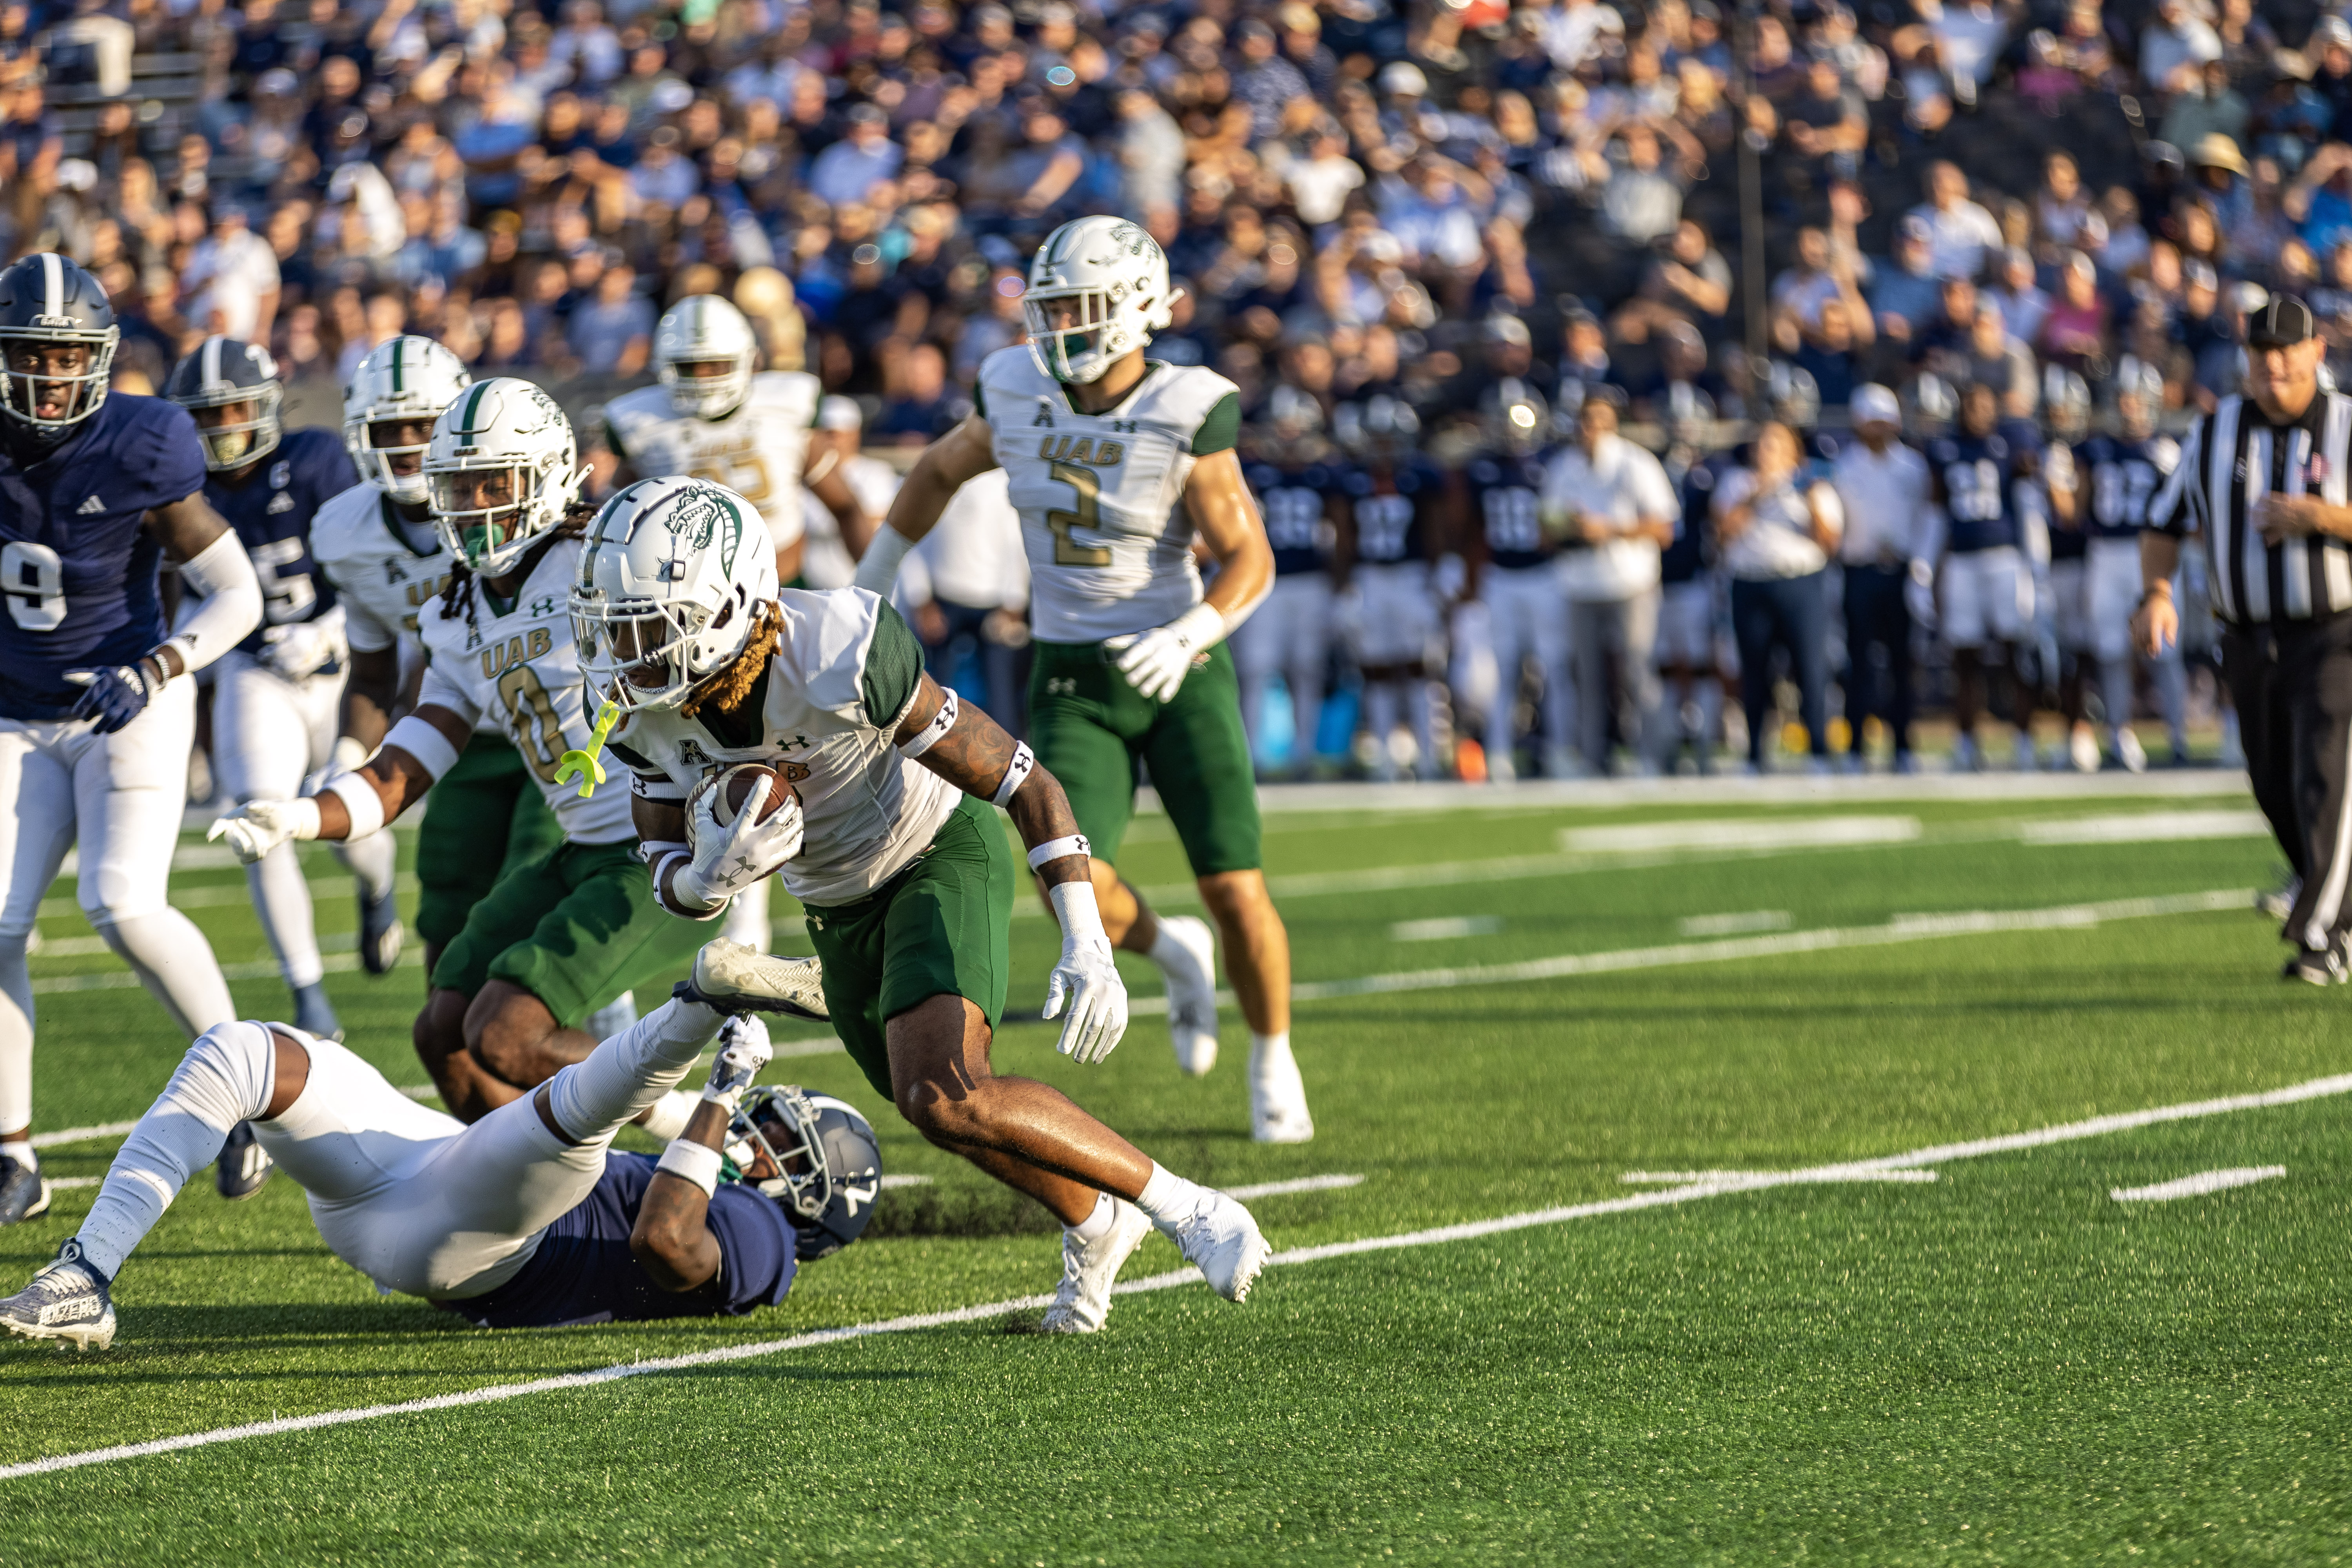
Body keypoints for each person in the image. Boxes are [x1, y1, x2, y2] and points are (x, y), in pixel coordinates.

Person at [570, 474, 1271, 1333]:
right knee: (933, 1108)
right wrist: (703, 877)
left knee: (947, 1091)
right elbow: (661, 857)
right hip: (834, 901)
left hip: (936, 850)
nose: (628, 652)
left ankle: (1188, 1204)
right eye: (617, 626)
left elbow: (1024, 780)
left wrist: (1085, 937)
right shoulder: (640, 708)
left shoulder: (838, 649)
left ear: (732, 610)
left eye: (652, 626)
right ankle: (1095, 1221)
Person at [855, 217, 1312, 1145]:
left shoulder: (1187, 404)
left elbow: (1247, 555)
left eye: (1084, 307)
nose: (1063, 327)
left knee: (1234, 884)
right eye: (1052, 306)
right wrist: (874, 577)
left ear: (1142, 309)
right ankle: (1168, 947)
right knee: (1061, 867)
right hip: (1073, 668)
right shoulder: (1015, 387)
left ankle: (1273, 1054)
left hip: (1179, 665)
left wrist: (1191, 631)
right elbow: (939, 469)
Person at [210, 380, 730, 1133]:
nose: (477, 507)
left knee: (507, 1034)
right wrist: (296, 816)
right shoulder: (454, 614)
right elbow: (403, 769)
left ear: (549, 475)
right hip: (585, 849)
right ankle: (533, 1210)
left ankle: (707, 1126)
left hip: (669, 850)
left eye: (496, 483)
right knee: (442, 1033)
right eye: (459, 487)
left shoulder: (603, 559)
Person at [0, 946, 881, 1348]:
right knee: (241, 1049)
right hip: (427, 1183)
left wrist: (721, 1093)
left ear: (813, 1197)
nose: (752, 1139)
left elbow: (665, 1238)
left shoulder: (766, 1246)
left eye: (776, 1142)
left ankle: (695, 1003)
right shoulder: (729, 1191)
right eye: (760, 1121)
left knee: (571, 1124)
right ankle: (85, 1272)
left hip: (496, 1246)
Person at [0, 253, 265, 1225]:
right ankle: (15, 1153)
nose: (52, 378)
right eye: (32, 355)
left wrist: (156, 668)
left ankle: (244, 1086)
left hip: (129, 697)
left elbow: (239, 594)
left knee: (119, 900)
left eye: (70, 357)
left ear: (101, 360)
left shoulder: (140, 444)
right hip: (14, 713)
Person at [311, 337, 582, 1038]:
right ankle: (473, 1078)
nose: (405, 445)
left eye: (422, 427)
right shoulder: (347, 535)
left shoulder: (537, 507)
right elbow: (374, 671)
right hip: (458, 731)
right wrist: (349, 755)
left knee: (546, 903)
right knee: (449, 916)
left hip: (559, 734)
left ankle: (599, 1075)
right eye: (387, 429)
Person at [603, 294, 877, 953]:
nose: (702, 380)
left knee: (838, 756)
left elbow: (846, 505)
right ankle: (747, 929)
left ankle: (854, 888)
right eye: (689, 368)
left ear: (750, 362)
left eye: (714, 365)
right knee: (729, 765)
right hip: (693, 621)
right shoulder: (639, 426)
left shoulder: (787, 410)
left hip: (786, 603)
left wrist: (876, 596)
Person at [163, 337, 379, 1044]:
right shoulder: (177, 488)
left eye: (233, 408)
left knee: (352, 820)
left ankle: (376, 889)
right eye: (207, 415)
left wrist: (329, 631)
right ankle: (307, 990)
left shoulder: (316, 460)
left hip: (339, 665)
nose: (223, 426)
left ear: (266, 405)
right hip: (256, 672)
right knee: (261, 822)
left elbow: (374, 575)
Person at [2139, 295, 2352, 981]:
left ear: (2317, 353)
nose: (2274, 367)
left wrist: (2324, 516)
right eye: (2262, 355)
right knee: (2273, 784)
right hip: (2247, 637)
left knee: (2324, 772)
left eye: (2287, 352)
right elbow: (2163, 520)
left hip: (2334, 632)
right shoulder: (2216, 430)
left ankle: (2321, 936)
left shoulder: (2348, 425)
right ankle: (2335, 910)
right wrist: (2159, 593)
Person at [1543, 394, 1678, 775]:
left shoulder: (1635, 463)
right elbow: (1546, 529)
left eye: (1601, 421)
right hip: (1580, 583)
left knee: (1638, 671)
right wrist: (1570, 527)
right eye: (1586, 421)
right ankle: (1593, 757)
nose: (1593, 430)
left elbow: (1664, 528)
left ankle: (1652, 754)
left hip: (1630, 580)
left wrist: (1611, 529)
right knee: (1587, 678)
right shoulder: (1563, 467)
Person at [1714, 421, 1843, 772]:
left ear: (1793, 451)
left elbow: (1830, 543)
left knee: (1811, 670)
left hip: (1800, 582)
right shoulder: (1737, 483)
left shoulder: (1812, 485)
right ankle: (1755, 754)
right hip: (1751, 582)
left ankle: (1818, 751)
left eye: (1775, 443)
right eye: (1762, 442)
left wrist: (1810, 498)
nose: (1766, 449)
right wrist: (1758, 493)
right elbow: (1722, 533)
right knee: (1755, 671)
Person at [2075, 371, 2187, 769]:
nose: (2129, 408)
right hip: (2106, 552)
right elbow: (2078, 510)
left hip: (2151, 553)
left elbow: (2183, 512)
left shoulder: (2167, 452)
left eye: (2137, 400)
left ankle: (2179, 735)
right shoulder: (2096, 450)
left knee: (2165, 651)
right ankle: (2119, 734)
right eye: (2124, 399)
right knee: (2111, 651)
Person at [1336, 396, 1450, 782]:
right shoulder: (1353, 479)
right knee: (1376, 670)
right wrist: (1345, 584)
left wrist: (1439, 576)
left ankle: (1431, 753)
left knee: (1422, 668)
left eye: (1390, 438)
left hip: (1412, 576)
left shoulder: (1421, 477)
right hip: (1371, 577)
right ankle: (1385, 753)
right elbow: (1344, 537)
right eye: (1377, 438)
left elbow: (1436, 530)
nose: (1383, 446)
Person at [1464, 381, 1570, 780]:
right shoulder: (1481, 468)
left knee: (1555, 669)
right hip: (1501, 576)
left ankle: (1562, 750)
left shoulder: (1553, 463)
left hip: (1545, 575)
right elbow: (1471, 528)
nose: (1511, 430)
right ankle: (1499, 753)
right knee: (1502, 669)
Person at [1929, 381, 2038, 769]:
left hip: (2003, 557)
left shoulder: (2011, 446)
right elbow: (1937, 508)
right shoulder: (1945, 449)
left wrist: (2033, 567)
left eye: (1985, 405)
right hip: (1962, 560)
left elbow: (2027, 505)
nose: (1978, 412)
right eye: (1971, 405)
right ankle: (1966, 742)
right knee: (1965, 656)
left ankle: (2024, 739)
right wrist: (1926, 567)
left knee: (2015, 653)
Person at [1234, 397, 1341, 777]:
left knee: (1307, 668)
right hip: (1266, 583)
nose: (1290, 436)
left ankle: (1304, 753)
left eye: (1297, 427)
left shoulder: (1325, 475)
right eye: (1284, 426)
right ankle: (1251, 754)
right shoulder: (1253, 473)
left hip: (1311, 581)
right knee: (1256, 668)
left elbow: (1340, 530)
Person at [1832, 383, 1935, 771]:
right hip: (1859, 571)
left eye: (1884, 420)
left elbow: (1927, 518)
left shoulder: (1913, 466)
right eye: (1872, 421)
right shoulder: (1844, 465)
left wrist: (1920, 565)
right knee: (1858, 663)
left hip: (1902, 574)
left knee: (1902, 664)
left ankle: (1903, 745)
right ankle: (1857, 746)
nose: (1879, 428)